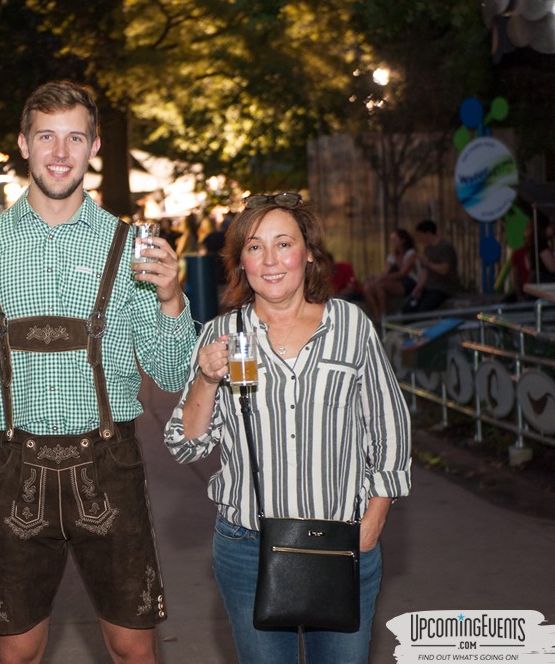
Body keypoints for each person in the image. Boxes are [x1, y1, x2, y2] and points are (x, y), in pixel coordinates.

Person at [0, 80, 197, 664]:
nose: (60, 151)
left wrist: (174, 299)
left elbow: (173, 370)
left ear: (94, 146)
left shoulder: (130, 248)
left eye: (74, 137)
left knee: (133, 648)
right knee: (17, 653)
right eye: (47, 136)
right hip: (14, 465)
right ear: (24, 145)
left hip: (110, 463)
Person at [163, 193, 412, 663]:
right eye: (255, 247)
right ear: (241, 261)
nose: (271, 260)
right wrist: (205, 377)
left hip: (342, 540)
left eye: (284, 244)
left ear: (309, 253)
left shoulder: (351, 326)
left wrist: (374, 519)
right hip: (246, 548)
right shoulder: (222, 333)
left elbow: (390, 425)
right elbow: (185, 445)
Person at [402, 219, 459, 315]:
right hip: (429, 287)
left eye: (420, 235)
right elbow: (425, 271)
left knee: (423, 309)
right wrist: (418, 287)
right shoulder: (428, 249)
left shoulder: (445, 247)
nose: (419, 238)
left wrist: (428, 263)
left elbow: (444, 269)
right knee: (408, 308)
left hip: (442, 287)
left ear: (428, 233)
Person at [362, 228, 418, 325]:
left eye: (395, 239)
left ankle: (384, 315)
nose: (392, 242)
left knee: (380, 286)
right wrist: (376, 278)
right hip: (393, 281)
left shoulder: (410, 254)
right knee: (368, 287)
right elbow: (385, 272)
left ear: (403, 240)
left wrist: (382, 278)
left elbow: (402, 274)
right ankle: (377, 316)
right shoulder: (392, 256)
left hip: (408, 282)